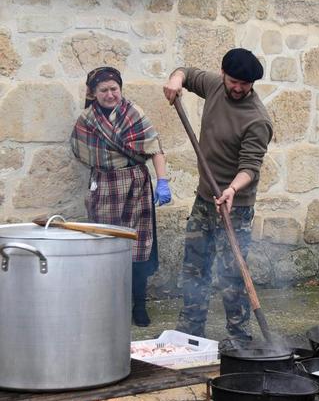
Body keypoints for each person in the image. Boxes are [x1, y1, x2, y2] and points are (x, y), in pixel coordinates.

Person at [162, 48, 273, 340]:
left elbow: (250, 167)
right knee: (194, 268)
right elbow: (185, 72)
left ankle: (239, 340)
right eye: (234, 81)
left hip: (235, 205)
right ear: (223, 74)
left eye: (245, 84)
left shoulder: (257, 119)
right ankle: (190, 333)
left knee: (232, 276)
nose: (238, 88)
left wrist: (232, 189)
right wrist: (175, 80)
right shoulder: (213, 85)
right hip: (204, 199)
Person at [70, 66, 171, 328]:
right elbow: (81, 151)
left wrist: (162, 181)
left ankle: (139, 305)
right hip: (104, 187)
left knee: (137, 247)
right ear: (93, 93)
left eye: (114, 88)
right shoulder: (86, 121)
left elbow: (155, 148)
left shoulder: (134, 113)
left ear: (120, 89)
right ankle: (109, 307)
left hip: (136, 185)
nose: (110, 94)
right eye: (103, 90)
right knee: (105, 246)